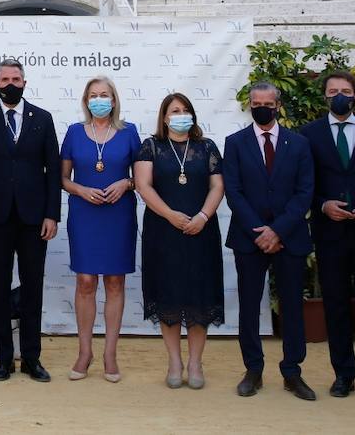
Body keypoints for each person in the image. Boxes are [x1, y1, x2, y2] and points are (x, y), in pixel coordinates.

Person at [223, 81, 316, 401]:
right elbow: (233, 191)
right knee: (249, 306)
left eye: (267, 102)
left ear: (278, 105)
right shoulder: (234, 143)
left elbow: (305, 192)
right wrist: (260, 231)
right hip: (250, 239)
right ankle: (253, 369)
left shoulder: (299, 144)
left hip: (289, 238)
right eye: (255, 102)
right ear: (249, 105)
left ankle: (292, 371)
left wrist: (278, 231)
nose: (261, 107)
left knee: (292, 306)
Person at [0, 58, 61, 383]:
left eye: (16, 78)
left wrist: (52, 214)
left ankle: (31, 359)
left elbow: (53, 172)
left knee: (33, 288)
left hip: (35, 219)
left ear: (25, 82)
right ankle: (4, 359)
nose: (10, 83)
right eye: (4, 78)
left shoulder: (43, 118)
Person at [302, 70, 355, 402]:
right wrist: (322, 205)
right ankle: (343, 375)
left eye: (346, 90)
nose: (340, 95)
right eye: (333, 90)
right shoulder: (308, 135)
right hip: (330, 234)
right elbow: (302, 186)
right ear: (325, 96)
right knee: (335, 306)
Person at [134, 92, 225, 390]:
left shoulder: (206, 146)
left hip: (202, 232)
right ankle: (174, 361)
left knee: (200, 296)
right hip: (164, 232)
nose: (181, 114)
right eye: (175, 110)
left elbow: (217, 186)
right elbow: (143, 186)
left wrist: (202, 216)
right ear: (164, 117)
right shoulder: (151, 147)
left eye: (186, 110)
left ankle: (196, 363)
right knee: (168, 296)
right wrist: (170, 215)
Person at [58, 76, 140, 383]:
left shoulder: (129, 132)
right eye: (93, 95)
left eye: (104, 95)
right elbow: (62, 178)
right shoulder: (74, 133)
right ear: (85, 100)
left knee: (116, 281)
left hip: (118, 213)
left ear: (114, 100)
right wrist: (80, 191)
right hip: (84, 213)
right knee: (86, 280)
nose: (99, 100)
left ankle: (110, 354)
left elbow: (142, 176)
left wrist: (126, 183)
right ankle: (84, 352)